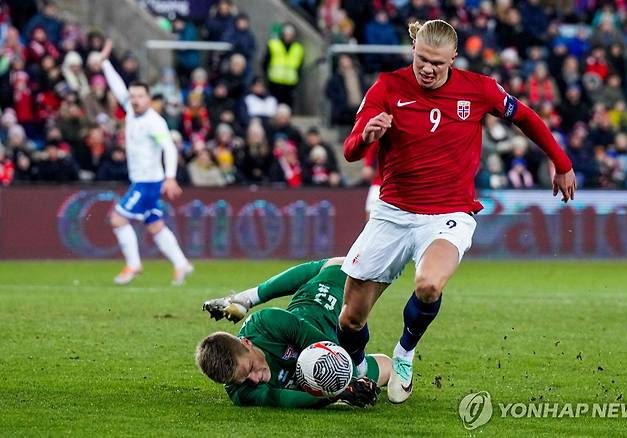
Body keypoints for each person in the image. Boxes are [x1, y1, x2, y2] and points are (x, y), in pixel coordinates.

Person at [337, 20, 577, 404]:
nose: (427, 69)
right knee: (350, 318)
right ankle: (356, 372)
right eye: (420, 59)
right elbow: (350, 150)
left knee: (429, 285)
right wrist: (367, 136)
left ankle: (404, 352)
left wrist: (560, 162)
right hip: (392, 212)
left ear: (453, 56)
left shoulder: (479, 88)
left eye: (436, 62)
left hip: (449, 213)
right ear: (413, 48)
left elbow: (526, 117)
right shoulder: (387, 86)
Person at [197, 257, 389, 408]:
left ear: (246, 343)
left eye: (250, 369)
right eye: (244, 380)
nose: (254, 380)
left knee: (339, 266)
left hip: (327, 300)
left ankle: (246, 298)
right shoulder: (239, 390)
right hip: (325, 351)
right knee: (388, 369)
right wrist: (336, 394)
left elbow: (328, 347)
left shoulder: (266, 324)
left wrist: (347, 382)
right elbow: (277, 398)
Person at [99, 40, 193, 286]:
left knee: (117, 219)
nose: (134, 100)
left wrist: (171, 176)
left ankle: (133, 264)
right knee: (155, 225)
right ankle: (181, 264)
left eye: (140, 96)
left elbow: (168, 148)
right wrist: (105, 62)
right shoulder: (130, 111)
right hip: (145, 181)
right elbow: (118, 86)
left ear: (149, 98)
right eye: (132, 96)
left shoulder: (155, 122)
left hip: (147, 182)